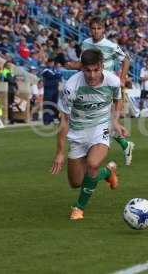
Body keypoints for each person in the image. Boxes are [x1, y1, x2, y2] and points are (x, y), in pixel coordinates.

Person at [51, 49, 129, 220]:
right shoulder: (72, 87)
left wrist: (115, 121)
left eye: (96, 70)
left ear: (102, 66)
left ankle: (79, 208)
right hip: (77, 133)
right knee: (76, 182)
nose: (92, 75)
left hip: (100, 128)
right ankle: (107, 173)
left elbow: (117, 99)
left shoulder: (113, 81)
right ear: (81, 68)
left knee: (92, 164)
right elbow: (63, 120)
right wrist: (60, 152)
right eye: (87, 70)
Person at [66, 16, 135, 166]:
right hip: (90, 86)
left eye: (99, 28)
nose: (96, 31)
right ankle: (123, 145)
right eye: (93, 28)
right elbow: (84, 64)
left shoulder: (110, 46)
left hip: (106, 87)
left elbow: (127, 59)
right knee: (100, 120)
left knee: (103, 120)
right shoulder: (85, 43)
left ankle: (104, 150)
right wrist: (72, 65)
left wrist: (122, 79)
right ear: (89, 29)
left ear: (104, 29)